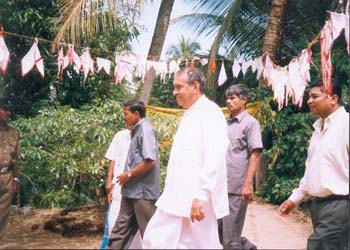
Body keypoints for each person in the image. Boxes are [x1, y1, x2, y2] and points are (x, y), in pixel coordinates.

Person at [142, 67, 229, 249]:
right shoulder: (191, 113)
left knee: (201, 245)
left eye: (179, 87)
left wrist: (201, 194)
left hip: (196, 198)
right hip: (178, 195)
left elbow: (215, 156)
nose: (175, 92)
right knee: (157, 239)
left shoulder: (210, 112)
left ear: (195, 86)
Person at [279, 79, 349, 250]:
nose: (309, 101)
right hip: (318, 206)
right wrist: (294, 199)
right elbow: (310, 171)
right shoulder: (318, 129)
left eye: (314, 96)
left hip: (340, 205)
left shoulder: (346, 124)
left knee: (317, 245)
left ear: (333, 98)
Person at [107, 99, 160, 249]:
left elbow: (151, 161)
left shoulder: (146, 130)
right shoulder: (135, 131)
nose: (124, 117)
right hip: (130, 191)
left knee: (150, 234)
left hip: (143, 194)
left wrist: (128, 174)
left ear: (136, 114)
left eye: (126, 114)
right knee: (120, 229)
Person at [219, 84, 263, 250]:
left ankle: (239, 245)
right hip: (220, 186)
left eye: (233, 98)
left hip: (236, 188)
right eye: (227, 98)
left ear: (244, 100)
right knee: (218, 231)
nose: (228, 101)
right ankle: (247, 247)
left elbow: (255, 154)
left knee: (230, 239)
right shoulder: (224, 123)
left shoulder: (251, 123)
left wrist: (247, 184)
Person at [100, 128, 142, 249]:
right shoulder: (120, 135)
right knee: (114, 221)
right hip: (118, 186)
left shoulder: (144, 135)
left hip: (136, 188)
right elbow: (113, 159)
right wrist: (109, 181)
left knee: (135, 228)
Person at [0, 97, 20, 240]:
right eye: (4, 109)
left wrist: (15, 179)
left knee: (3, 215)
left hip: (6, 177)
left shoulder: (13, 132)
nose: (8, 113)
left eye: (9, 110)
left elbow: (15, 159)